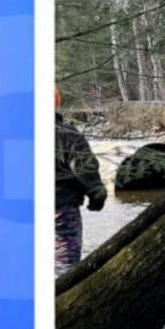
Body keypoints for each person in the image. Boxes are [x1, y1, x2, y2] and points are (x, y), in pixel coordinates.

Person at [55, 89, 106, 274]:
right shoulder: (67, 134)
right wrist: (97, 195)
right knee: (65, 267)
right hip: (61, 210)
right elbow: (85, 168)